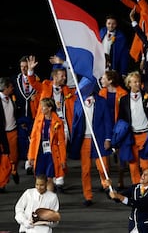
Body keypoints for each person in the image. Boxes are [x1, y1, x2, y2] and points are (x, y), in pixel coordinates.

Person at [69, 78, 113, 206]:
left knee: (103, 167)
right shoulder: (78, 102)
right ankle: (88, 196)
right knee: (86, 170)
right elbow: (75, 123)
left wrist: (108, 138)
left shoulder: (101, 102)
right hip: (85, 140)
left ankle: (107, 186)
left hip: (98, 139)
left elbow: (107, 121)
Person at [118, 71, 148, 185]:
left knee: (146, 165)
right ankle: (137, 189)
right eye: (135, 82)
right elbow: (121, 119)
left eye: (138, 81)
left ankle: (147, 188)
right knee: (133, 165)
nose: (137, 84)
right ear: (129, 84)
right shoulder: (124, 100)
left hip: (145, 134)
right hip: (131, 136)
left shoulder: (147, 96)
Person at [106, 168, 148, 233]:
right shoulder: (135, 187)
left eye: (146, 175)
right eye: (142, 174)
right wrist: (109, 188)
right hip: (133, 226)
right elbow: (117, 198)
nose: (142, 176)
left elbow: (139, 204)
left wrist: (120, 197)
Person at [27, 98, 66, 192]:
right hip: (39, 152)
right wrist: (31, 157)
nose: (41, 109)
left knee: (49, 178)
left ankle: (49, 203)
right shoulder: (38, 120)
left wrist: (63, 159)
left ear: (49, 108)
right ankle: (40, 202)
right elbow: (33, 139)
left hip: (52, 154)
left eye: (43, 106)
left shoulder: (58, 122)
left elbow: (61, 142)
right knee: (39, 178)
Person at [98, 70, 128, 190]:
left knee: (121, 156)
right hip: (105, 127)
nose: (101, 80)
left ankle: (121, 179)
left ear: (110, 80)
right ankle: (106, 181)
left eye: (103, 78)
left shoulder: (123, 93)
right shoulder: (101, 93)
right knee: (105, 157)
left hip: (118, 128)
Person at [13, 55, 40, 175]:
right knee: (23, 140)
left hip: (33, 115)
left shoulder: (37, 80)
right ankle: (26, 161)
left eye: (25, 67)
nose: (23, 69)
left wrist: (36, 98)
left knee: (33, 139)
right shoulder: (15, 80)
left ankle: (31, 162)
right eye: (21, 67)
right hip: (20, 115)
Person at [0, 77, 20, 189]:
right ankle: (2, 183)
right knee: (4, 159)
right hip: (2, 134)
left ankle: (13, 171)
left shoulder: (12, 98)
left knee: (14, 157)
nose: (13, 89)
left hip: (13, 132)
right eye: (11, 87)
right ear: (6, 87)